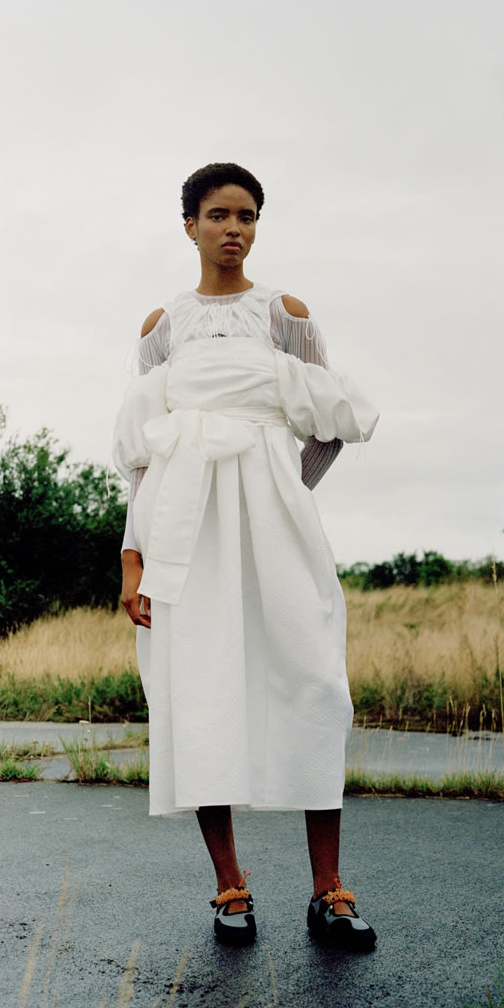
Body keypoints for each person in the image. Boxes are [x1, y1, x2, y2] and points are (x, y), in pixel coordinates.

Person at [114, 162, 379, 949]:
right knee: (200, 691)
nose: (234, 228)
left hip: (278, 530)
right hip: (185, 533)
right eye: (219, 214)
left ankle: (329, 890)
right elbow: (145, 456)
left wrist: (285, 489)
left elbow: (329, 421)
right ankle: (230, 887)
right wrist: (132, 560)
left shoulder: (284, 313)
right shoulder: (162, 327)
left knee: (315, 683)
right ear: (190, 224)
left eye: (248, 215)